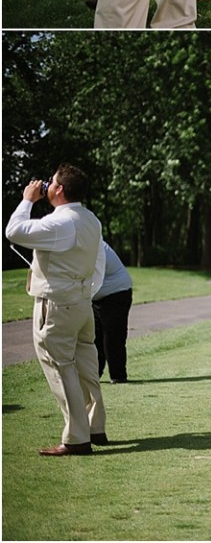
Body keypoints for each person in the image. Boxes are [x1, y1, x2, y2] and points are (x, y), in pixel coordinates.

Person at [5, 165, 108, 456]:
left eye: (51, 182)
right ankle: (94, 426)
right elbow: (98, 261)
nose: (46, 185)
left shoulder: (61, 222)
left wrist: (27, 199)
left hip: (57, 305)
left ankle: (76, 437)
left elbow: (13, 231)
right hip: (81, 303)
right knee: (86, 365)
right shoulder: (91, 220)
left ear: (60, 189)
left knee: (59, 366)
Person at [92, 241, 133, 384]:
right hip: (97, 297)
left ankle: (118, 376)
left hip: (117, 293)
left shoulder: (96, 247)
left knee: (112, 336)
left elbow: (91, 276)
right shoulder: (82, 242)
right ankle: (93, 375)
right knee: (94, 337)